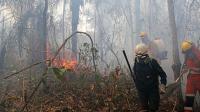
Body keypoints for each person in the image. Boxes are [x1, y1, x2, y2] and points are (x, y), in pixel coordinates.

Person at [133, 43, 167, 112]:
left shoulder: (152, 62)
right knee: (144, 109)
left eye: (141, 55)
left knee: (153, 108)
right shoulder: (136, 62)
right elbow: (136, 75)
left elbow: (162, 74)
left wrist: (163, 85)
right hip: (142, 91)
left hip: (153, 91)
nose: (140, 58)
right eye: (138, 55)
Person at [181, 40, 200, 112]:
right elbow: (186, 65)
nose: (185, 53)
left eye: (186, 52)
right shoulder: (188, 55)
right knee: (189, 100)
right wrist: (184, 69)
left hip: (199, 79)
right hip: (191, 79)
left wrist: (192, 67)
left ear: (189, 49)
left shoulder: (197, 54)